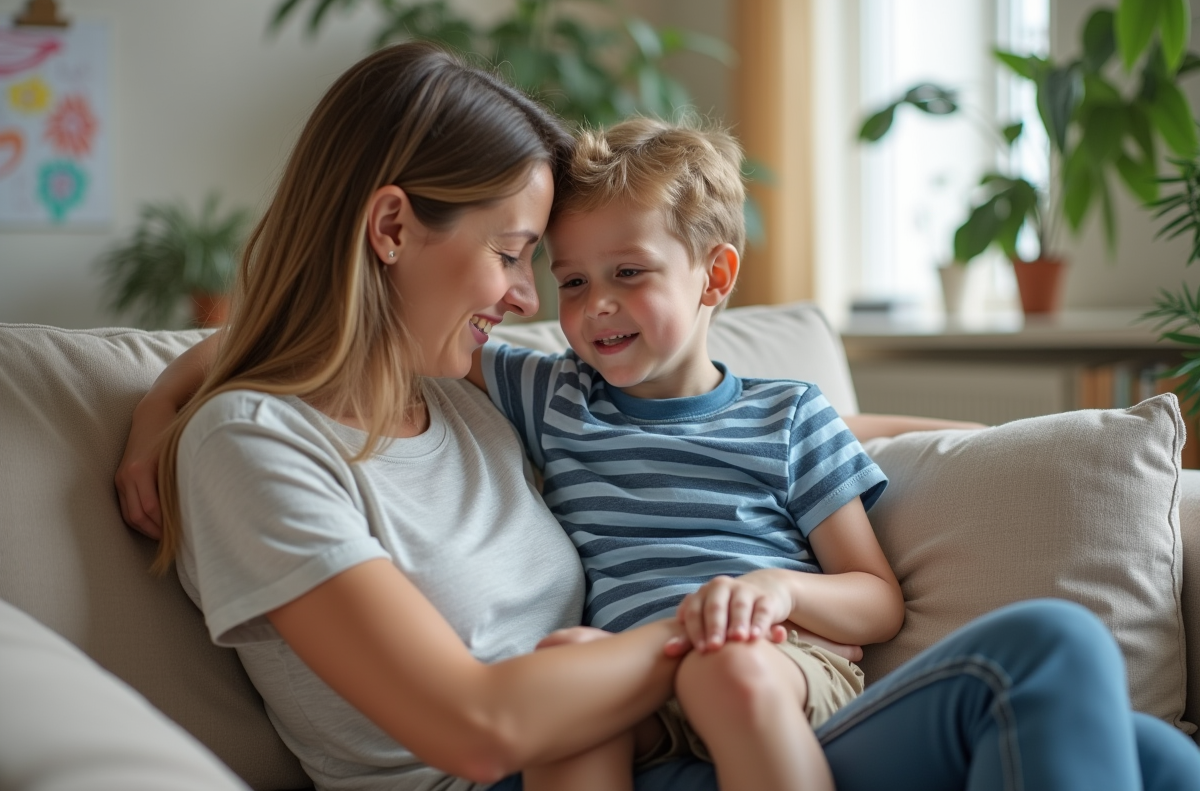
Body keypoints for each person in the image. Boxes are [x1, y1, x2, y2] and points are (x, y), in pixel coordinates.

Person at [116, 41, 1200, 791]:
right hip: (530, 766)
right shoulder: (255, 443)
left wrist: (171, 381)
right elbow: (475, 722)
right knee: (1047, 651)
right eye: (511, 256)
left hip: (662, 736)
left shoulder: (469, 390)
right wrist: (713, 620)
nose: (533, 302)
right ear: (392, 225)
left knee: (1151, 757)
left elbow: (769, 422)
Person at [463, 117, 903, 791]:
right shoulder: (556, 396)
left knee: (723, 668)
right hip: (637, 674)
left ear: (715, 276)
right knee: (562, 672)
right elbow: (420, 328)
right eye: (573, 282)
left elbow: (877, 600)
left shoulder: (790, 416)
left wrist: (778, 590)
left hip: (772, 664)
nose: (596, 305)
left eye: (629, 272)